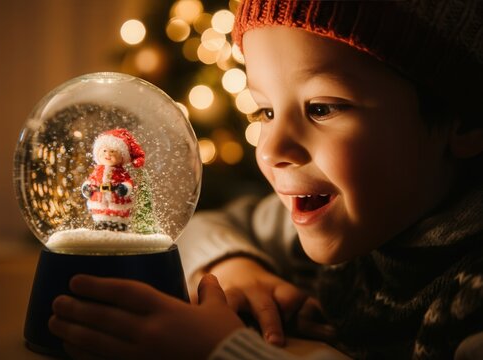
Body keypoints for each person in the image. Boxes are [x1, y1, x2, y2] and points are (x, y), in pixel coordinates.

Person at [48, 0, 483, 359]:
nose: (272, 150)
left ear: (464, 123)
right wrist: (235, 267)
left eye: (322, 108)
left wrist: (223, 349)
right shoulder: (354, 217)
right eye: (265, 111)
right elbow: (208, 227)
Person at [82, 128, 145, 231]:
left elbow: (128, 182)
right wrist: (86, 187)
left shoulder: (121, 172)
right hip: (99, 202)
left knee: (117, 225)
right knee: (100, 225)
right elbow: (91, 180)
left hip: (117, 204)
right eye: (105, 151)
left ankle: (119, 230)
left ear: (122, 156)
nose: (108, 155)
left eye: (112, 152)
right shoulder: (98, 170)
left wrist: (125, 188)